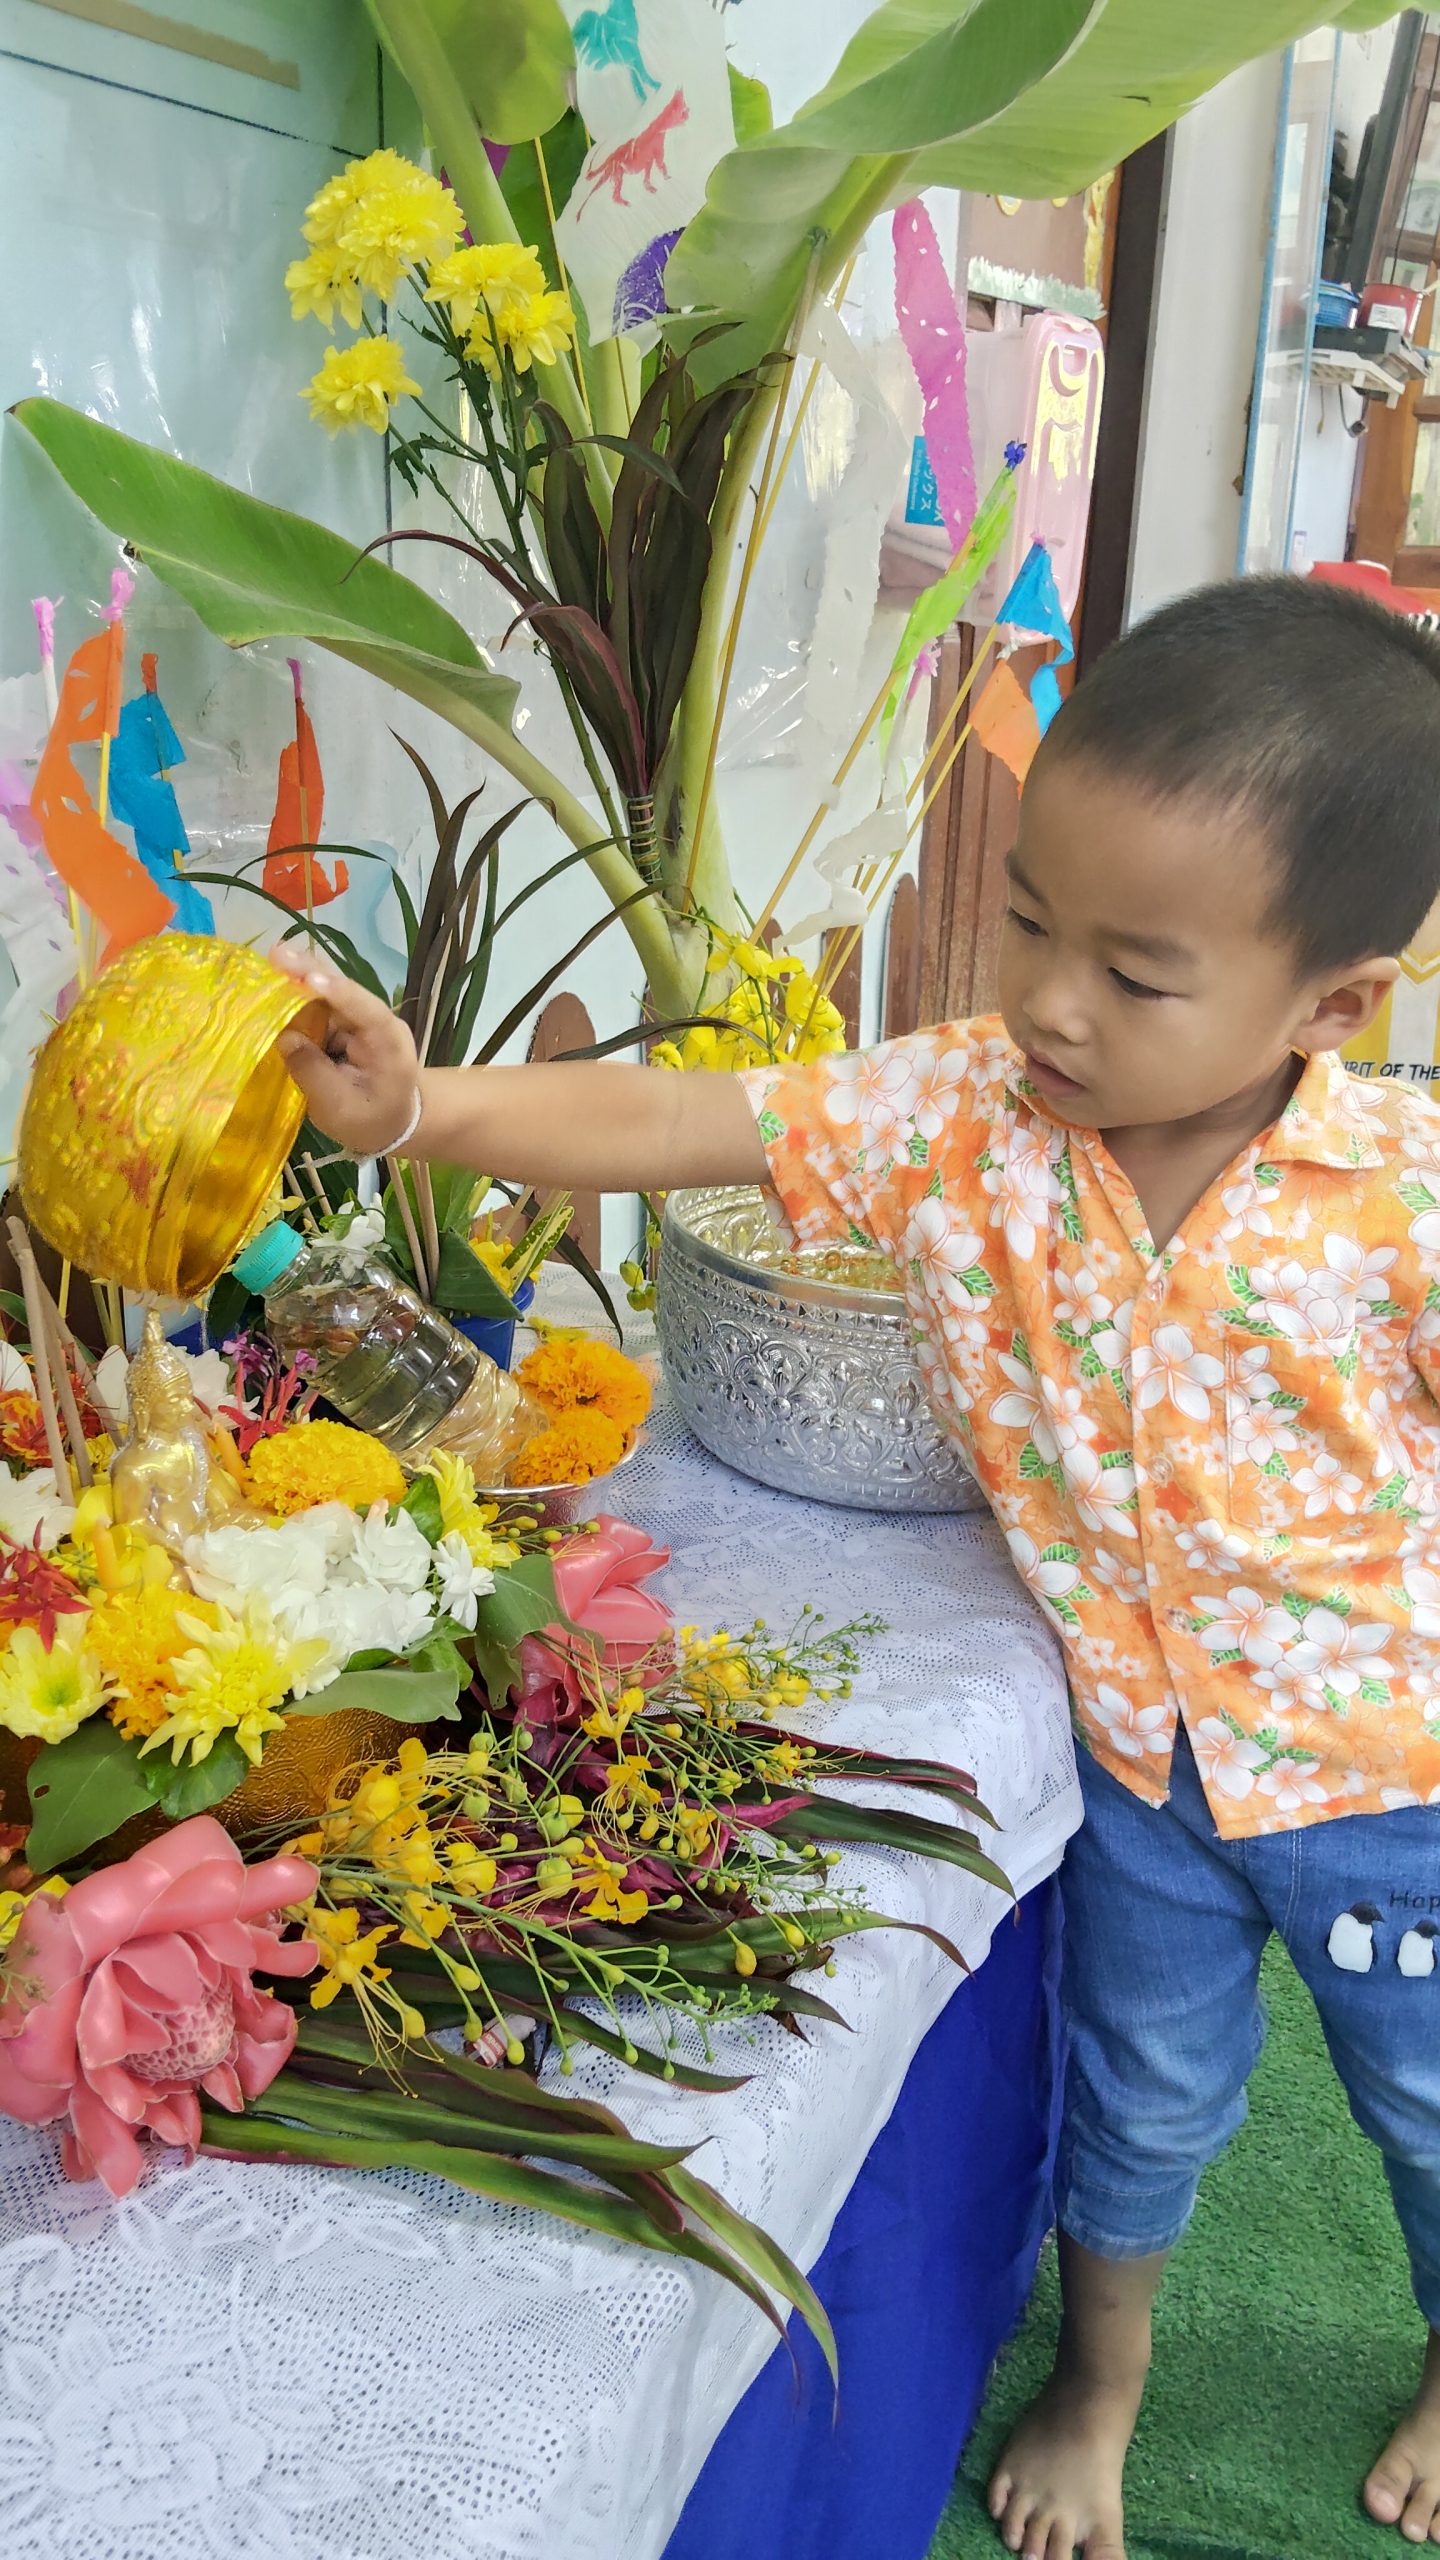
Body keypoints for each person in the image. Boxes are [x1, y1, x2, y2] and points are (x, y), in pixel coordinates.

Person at [274, 576, 1440, 2558]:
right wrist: (424, 1108)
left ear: (1332, 1006)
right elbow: (681, 1109)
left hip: (1388, 1778)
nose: (1051, 999)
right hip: (1141, 1764)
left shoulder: (1400, 1200)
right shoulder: (962, 1111)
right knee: (1138, 2094)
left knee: (1424, 2102)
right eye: (1032, 920)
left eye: (1137, 973)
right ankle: (1102, 2384)